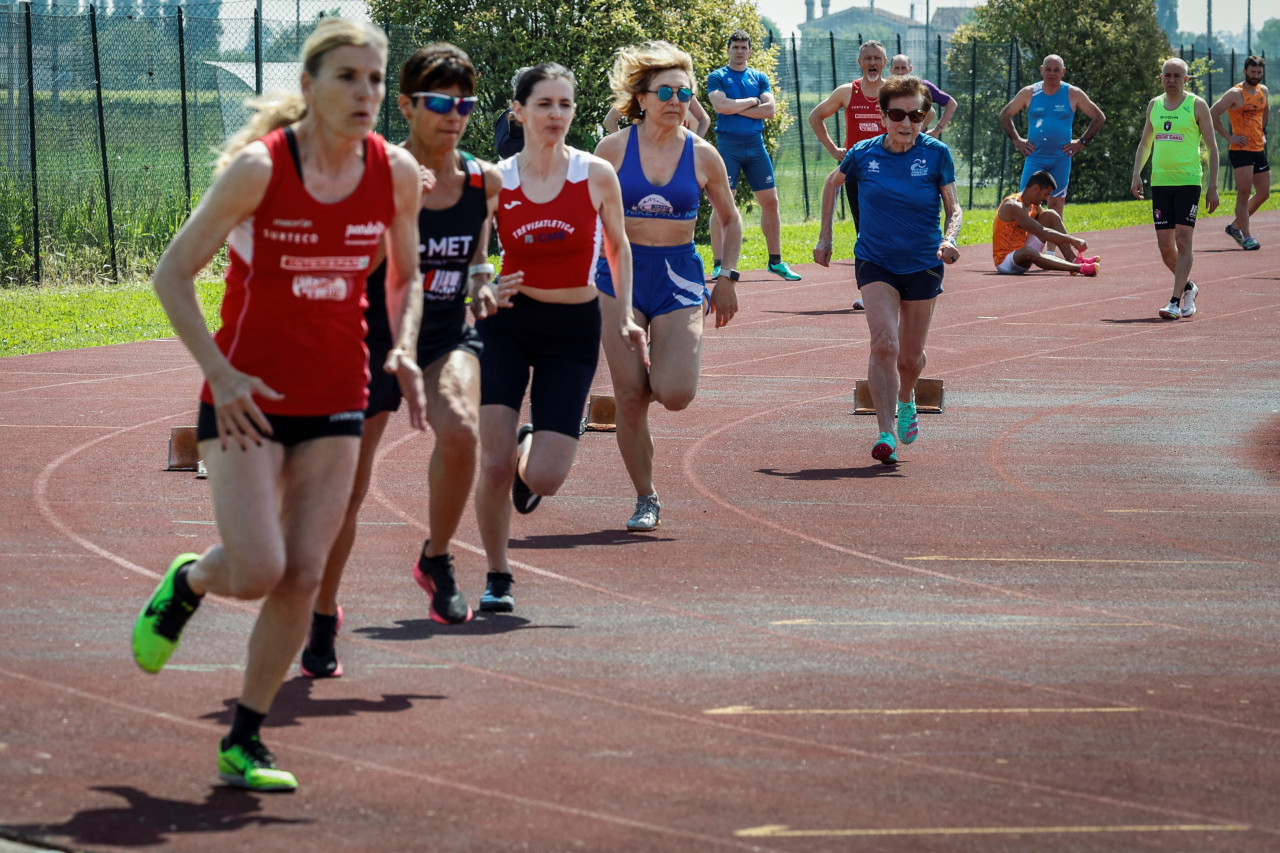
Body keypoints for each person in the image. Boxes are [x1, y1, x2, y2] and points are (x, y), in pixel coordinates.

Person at [132, 18, 424, 791]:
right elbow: (171, 273)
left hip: (338, 394)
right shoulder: (260, 171)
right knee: (257, 566)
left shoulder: (394, 172)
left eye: (373, 79)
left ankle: (245, 739)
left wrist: (402, 345)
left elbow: (406, 273)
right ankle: (190, 581)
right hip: (247, 397)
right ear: (309, 88)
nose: (364, 94)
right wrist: (220, 374)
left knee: (302, 572)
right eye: (346, 78)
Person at [300, 43, 515, 680]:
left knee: (461, 429)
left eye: (466, 105)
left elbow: (477, 252)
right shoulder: (374, 173)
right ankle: (322, 614)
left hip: (445, 335)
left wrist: (481, 278)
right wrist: (390, 207)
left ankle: (437, 556)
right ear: (406, 106)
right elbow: (339, 252)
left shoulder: (483, 180)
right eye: (441, 103)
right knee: (349, 490)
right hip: (368, 340)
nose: (455, 116)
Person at [473, 63, 647, 611]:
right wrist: (482, 284)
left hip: (572, 328)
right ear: (518, 112)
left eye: (565, 105)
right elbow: (477, 258)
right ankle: (497, 575)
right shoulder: (495, 179)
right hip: (507, 325)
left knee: (544, 476)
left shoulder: (595, 174)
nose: (556, 115)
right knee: (494, 462)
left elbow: (618, 247)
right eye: (544, 104)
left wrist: (624, 316)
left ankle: (532, 448)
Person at [594, 41, 743, 531]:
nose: (676, 100)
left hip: (678, 274)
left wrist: (726, 276)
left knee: (674, 392)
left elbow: (731, 218)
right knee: (629, 397)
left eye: (684, 91)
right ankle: (646, 496)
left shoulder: (704, 155)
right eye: (665, 91)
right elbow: (584, 218)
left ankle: (657, 374)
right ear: (641, 98)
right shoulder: (612, 151)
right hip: (620, 276)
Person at [812, 75, 962, 465]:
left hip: (923, 265)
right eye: (897, 114)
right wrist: (825, 237)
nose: (906, 122)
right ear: (882, 116)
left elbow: (955, 207)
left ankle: (907, 398)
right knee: (885, 344)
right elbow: (832, 183)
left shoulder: (936, 154)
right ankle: (887, 432)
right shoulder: (863, 154)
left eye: (916, 114)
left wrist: (950, 239)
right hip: (875, 261)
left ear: (926, 117)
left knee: (909, 360)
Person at [707, 29, 802, 282]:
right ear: (728, 49)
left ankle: (776, 262)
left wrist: (735, 107)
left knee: (771, 202)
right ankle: (719, 264)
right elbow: (720, 106)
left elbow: (769, 110)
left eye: (743, 47)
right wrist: (751, 102)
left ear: (749, 51)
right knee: (723, 203)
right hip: (728, 146)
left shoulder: (759, 77)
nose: (739, 51)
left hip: (755, 146)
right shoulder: (717, 76)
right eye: (735, 47)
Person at [1131, 57, 1219, 320]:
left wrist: (1212, 186)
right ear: (1161, 78)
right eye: (1167, 75)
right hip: (1160, 182)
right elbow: (1146, 143)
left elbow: (1213, 148)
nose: (1171, 80)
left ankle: (1174, 301)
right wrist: (1136, 174)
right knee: (1166, 248)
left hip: (1188, 181)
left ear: (1186, 80)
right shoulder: (1154, 105)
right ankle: (1189, 287)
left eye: (1177, 76)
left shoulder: (1197, 105)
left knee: (1183, 239)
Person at [807, 39, 889, 309]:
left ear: (884, 63)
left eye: (877, 58)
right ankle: (870, 292)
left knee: (896, 226)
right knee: (865, 231)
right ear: (859, 63)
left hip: (892, 169)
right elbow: (815, 116)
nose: (872, 63)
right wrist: (833, 149)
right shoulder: (847, 92)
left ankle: (908, 283)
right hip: (858, 171)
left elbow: (926, 109)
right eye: (867, 58)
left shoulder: (893, 90)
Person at [999, 54, 1106, 218]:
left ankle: (1051, 244)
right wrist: (1017, 140)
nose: (1052, 74)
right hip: (1035, 158)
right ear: (1041, 70)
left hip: (1060, 159)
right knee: (1026, 204)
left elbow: (1099, 117)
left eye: (1056, 70)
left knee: (1055, 206)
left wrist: (1081, 142)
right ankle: (1023, 244)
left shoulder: (1072, 93)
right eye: (1048, 69)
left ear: (1063, 72)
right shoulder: (1029, 93)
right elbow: (1005, 115)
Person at [1209, 55, 1269, 251]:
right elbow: (1212, 113)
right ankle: (1247, 237)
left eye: (1259, 73)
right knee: (1243, 194)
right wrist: (1230, 137)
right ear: (1245, 71)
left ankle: (1235, 226)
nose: (1256, 76)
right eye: (1252, 72)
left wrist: (1263, 131)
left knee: (1264, 193)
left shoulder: (1263, 91)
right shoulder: (1235, 93)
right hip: (1240, 150)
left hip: (1258, 148)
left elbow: (1265, 109)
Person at [993, 170, 1099, 276]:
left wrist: (1068, 240)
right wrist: (1073, 240)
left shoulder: (1033, 204)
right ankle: (1079, 268)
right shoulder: (1013, 206)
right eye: (1046, 194)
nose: (1047, 199)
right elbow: (1042, 232)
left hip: (1024, 250)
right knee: (1028, 251)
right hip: (1006, 261)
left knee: (1050, 215)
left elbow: (1048, 224)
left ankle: (1073, 260)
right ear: (1036, 189)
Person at [888, 54, 956, 139]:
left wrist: (937, 130)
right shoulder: (887, 89)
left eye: (903, 68)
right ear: (891, 70)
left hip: (917, 142)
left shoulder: (922, 86)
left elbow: (951, 104)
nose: (900, 72)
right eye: (896, 68)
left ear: (910, 68)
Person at [603, 95, 711, 137]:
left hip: (677, 157)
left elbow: (704, 119)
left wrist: (693, 150)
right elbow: (609, 120)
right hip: (644, 154)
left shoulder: (683, 91)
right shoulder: (639, 91)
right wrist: (626, 147)